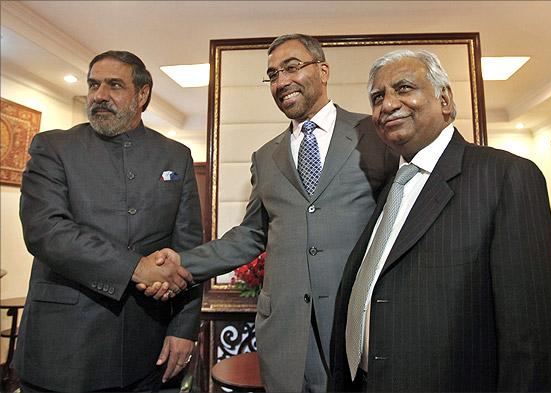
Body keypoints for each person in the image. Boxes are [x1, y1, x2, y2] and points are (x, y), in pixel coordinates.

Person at [142, 34, 398, 392]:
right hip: (286, 337)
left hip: (357, 327)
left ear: (323, 71)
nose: (281, 82)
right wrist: (183, 262)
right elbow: (251, 235)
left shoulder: (373, 133)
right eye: (273, 75)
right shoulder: (265, 157)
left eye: (291, 68)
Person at [329, 49, 551, 392]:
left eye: (404, 88)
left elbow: (535, 342)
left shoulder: (505, 177)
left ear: (444, 99)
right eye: (377, 97)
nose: (388, 104)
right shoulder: (389, 189)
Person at [15, 50, 202, 392]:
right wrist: (135, 268)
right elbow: (47, 231)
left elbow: (188, 249)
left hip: (148, 351)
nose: (100, 95)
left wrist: (183, 327)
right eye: (94, 85)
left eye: (114, 85)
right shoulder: (54, 147)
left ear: (142, 94)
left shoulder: (176, 156)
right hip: (63, 351)